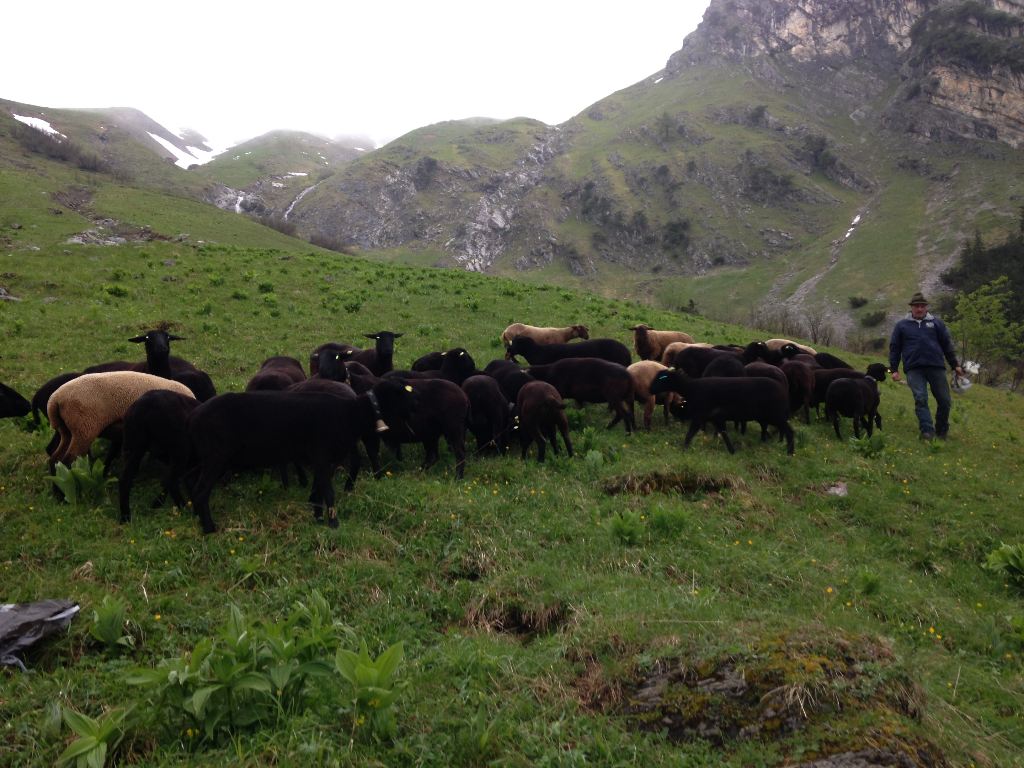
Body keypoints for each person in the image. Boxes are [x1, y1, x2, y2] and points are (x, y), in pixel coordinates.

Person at [888, 291, 964, 440]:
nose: (919, 309)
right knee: (920, 398)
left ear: (926, 307)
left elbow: (947, 345)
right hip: (913, 369)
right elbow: (894, 348)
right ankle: (927, 431)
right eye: (916, 306)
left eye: (922, 306)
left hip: (936, 366)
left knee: (945, 401)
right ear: (911, 307)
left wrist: (955, 364)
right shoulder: (901, 326)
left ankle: (941, 430)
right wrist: (893, 370)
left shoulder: (936, 323)